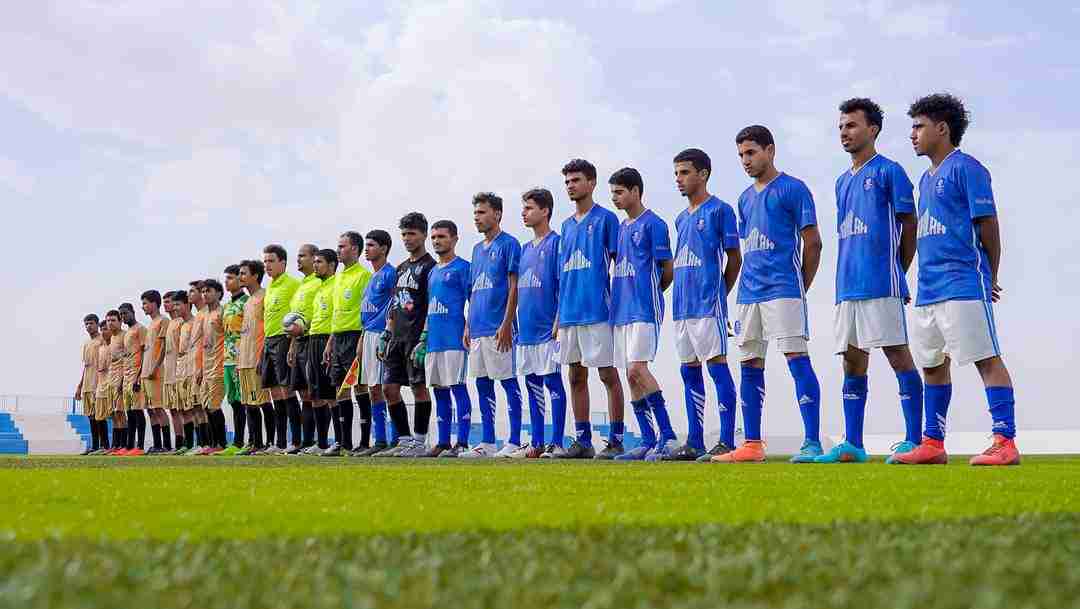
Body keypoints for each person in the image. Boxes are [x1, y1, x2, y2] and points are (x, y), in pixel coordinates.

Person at [895, 93, 1019, 466]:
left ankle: (1005, 441)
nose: (912, 134)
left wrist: (990, 275)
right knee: (933, 365)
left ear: (942, 129)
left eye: (919, 126)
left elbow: (989, 225)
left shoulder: (968, 169)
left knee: (985, 359)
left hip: (963, 283)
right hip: (928, 289)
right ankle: (933, 444)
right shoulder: (925, 178)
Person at [816, 98, 924, 464]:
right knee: (851, 361)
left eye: (852, 125)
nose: (844, 132)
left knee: (897, 355)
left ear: (873, 129)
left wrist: (898, 271)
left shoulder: (890, 171)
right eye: (841, 127)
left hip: (880, 282)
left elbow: (910, 225)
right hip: (847, 286)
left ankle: (914, 440)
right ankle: (853, 444)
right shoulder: (841, 182)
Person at [714, 125, 824, 464]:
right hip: (749, 294)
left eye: (751, 152)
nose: (745, 160)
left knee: (796, 359)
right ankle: (751, 444)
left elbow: (813, 243)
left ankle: (812, 442)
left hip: (784, 290)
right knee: (749, 363)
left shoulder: (793, 189)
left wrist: (799, 288)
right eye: (741, 155)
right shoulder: (744, 199)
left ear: (770, 150)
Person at [667, 148, 742, 462]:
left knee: (717, 368)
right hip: (681, 308)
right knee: (689, 371)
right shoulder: (680, 218)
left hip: (708, 306)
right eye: (676, 173)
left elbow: (734, 258)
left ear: (703, 174)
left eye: (684, 172)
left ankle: (726, 440)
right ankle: (694, 441)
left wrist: (719, 294)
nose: (679, 179)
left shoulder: (720, 210)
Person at [603, 168, 678, 462]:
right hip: (620, 311)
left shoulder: (654, 224)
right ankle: (647, 440)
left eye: (619, 192)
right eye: (612, 193)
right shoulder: (621, 228)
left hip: (644, 309)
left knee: (637, 369)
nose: (615, 198)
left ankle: (668, 435)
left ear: (635, 191)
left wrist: (649, 293)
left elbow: (667, 269)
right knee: (630, 376)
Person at [554, 159, 625, 459]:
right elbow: (563, 273)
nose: (571, 186)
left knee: (607, 374)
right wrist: (558, 316)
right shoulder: (565, 226)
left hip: (597, 310)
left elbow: (619, 266)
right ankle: (583, 441)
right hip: (569, 313)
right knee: (575, 376)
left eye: (576, 180)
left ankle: (616, 440)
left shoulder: (607, 219)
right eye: (567, 181)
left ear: (592, 182)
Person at [463, 192, 524, 458]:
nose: (476, 218)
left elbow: (514, 287)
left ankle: (514, 441)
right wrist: (468, 325)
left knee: (508, 381)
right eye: (475, 213)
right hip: (477, 328)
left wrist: (507, 322)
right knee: (482, 384)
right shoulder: (476, 250)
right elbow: (473, 291)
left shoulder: (510, 244)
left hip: (499, 328)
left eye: (482, 212)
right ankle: (487, 442)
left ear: (497, 214)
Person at [375, 213, 436, 457]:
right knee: (389, 388)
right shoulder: (400, 268)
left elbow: (432, 304)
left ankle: (419, 442)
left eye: (412, 233)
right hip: (397, 337)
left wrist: (425, 337)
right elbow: (395, 303)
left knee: (418, 387)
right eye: (404, 234)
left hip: (416, 336)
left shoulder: (430, 267)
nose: (407, 238)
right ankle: (404, 440)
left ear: (424, 235)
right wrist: (386, 333)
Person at [517, 188, 568, 459]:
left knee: (553, 382)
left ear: (545, 210)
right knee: (532, 384)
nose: (523, 213)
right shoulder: (524, 249)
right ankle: (536, 442)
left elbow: (563, 285)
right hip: (526, 330)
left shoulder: (557, 243)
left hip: (548, 329)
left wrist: (559, 319)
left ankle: (556, 442)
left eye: (529, 208)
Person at [419, 220, 472, 457]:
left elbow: (473, 301)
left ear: (454, 239)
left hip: (454, 339)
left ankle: (462, 442)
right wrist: (424, 337)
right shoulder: (432, 272)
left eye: (441, 236)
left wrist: (468, 328)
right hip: (434, 341)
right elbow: (430, 306)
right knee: (439, 390)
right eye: (434, 237)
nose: (436, 241)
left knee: (458, 388)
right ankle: (443, 442)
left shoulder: (463, 268)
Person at [321, 232, 373, 456]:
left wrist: (362, 338)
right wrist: (330, 342)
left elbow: (368, 311)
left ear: (355, 249)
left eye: (342, 246)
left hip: (355, 336)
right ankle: (344, 443)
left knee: (360, 386)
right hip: (338, 338)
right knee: (339, 390)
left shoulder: (364, 275)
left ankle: (364, 442)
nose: (338, 250)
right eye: (338, 246)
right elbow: (337, 312)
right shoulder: (339, 277)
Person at [353, 231, 398, 456]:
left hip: (382, 335)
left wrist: (389, 332)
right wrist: (362, 338)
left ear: (384, 248)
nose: (367, 249)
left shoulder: (390, 273)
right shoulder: (372, 278)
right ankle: (379, 440)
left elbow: (396, 304)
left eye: (371, 245)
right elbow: (367, 313)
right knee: (373, 389)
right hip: (368, 335)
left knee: (386, 388)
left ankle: (396, 439)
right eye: (367, 245)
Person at [260, 244, 301, 454]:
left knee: (287, 390)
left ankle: (297, 441)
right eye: (265, 261)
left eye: (271, 261)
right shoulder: (270, 287)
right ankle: (281, 442)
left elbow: (297, 315)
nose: (267, 265)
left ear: (282, 263)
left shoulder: (292, 284)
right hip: (269, 341)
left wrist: (293, 342)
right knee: (274, 392)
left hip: (284, 340)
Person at [285, 244, 321, 453]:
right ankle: (305, 442)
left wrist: (305, 328)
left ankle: (318, 441)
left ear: (314, 257)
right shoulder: (302, 285)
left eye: (302, 256)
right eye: (297, 256)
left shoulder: (319, 282)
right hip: (298, 342)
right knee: (302, 393)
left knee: (314, 392)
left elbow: (320, 312)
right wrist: (292, 344)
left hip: (312, 340)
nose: (298, 260)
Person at [236, 259, 272, 455]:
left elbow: (268, 329)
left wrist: (262, 356)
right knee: (248, 403)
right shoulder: (248, 301)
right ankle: (254, 442)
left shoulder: (265, 296)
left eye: (244, 273)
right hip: (244, 360)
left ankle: (270, 442)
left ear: (255, 275)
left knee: (263, 402)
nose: (240, 277)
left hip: (257, 358)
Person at [305, 249, 338, 454]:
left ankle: (341, 441)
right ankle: (322, 443)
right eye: (314, 261)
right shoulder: (319, 287)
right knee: (315, 393)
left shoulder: (337, 284)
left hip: (328, 339)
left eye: (319, 262)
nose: (315, 265)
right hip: (313, 339)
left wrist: (331, 342)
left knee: (331, 393)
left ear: (332, 264)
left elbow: (337, 316)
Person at [216, 267, 249, 455]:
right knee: (233, 401)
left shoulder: (246, 302)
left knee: (246, 401)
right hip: (227, 359)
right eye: (226, 278)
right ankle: (236, 442)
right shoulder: (227, 306)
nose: (226, 281)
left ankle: (248, 441)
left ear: (240, 279)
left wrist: (242, 356)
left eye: (230, 278)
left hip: (241, 357)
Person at [139, 290, 170, 454]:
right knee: (150, 410)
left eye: (145, 303)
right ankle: (157, 444)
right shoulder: (150, 324)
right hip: (145, 372)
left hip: (155, 372)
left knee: (158, 408)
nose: (143, 307)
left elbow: (163, 347)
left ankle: (167, 445)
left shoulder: (163, 321)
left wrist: (155, 367)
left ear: (154, 303)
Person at [201, 279, 229, 452]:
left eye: (208, 291)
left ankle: (221, 443)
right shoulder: (205, 315)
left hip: (219, 365)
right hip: (206, 367)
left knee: (214, 406)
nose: (205, 294)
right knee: (206, 407)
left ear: (218, 293)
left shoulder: (222, 312)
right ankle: (212, 444)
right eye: (203, 291)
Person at [119, 303, 147, 455]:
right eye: (121, 314)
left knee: (137, 410)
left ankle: (140, 446)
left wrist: (138, 376)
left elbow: (144, 353)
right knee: (129, 412)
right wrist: (123, 379)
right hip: (127, 375)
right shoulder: (127, 333)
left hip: (136, 374)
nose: (123, 317)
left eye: (125, 313)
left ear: (132, 312)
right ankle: (129, 446)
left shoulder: (140, 329)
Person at [172, 291, 198, 453]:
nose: (175, 308)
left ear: (187, 304)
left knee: (195, 408)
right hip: (181, 369)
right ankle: (188, 445)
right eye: (174, 304)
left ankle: (203, 443)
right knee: (183, 409)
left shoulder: (195, 322)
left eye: (178, 304)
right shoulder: (181, 325)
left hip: (192, 368)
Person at [162, 291, 187, 451]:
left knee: (183, 409)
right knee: (173, 409)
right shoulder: (170, 323)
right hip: (168, 372)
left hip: (180, 371)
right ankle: (178, 443)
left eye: (169, 301)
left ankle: (187, 442)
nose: (166, 305)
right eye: (164, 302)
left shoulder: (181, 322)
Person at [75, 314, 103, 455]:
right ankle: (94, 446)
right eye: (86, 324)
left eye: (91, 323)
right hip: (87, 384)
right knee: (91, 416)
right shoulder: (86, 343)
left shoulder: (102, 340)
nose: (88, 326)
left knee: (100, 415)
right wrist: (79, 386)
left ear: (97, 324)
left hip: (99, 383)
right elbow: (86, 367)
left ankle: (104, 446)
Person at [105, 310, 129, 454]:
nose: (110, 323)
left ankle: (123, 444)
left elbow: (127, 359)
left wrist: (122, 380)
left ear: (120, 321)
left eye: (113, 320)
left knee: (120, 411)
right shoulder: (112, 338)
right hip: (111, 378)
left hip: (121, 377)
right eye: (108, 320)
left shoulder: (124, 336)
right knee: (113, 413)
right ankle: (115, 444)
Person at [91, 320, 113, 454]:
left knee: (117, 416)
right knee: (99, 416)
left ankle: (117, 446)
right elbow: (98, 369)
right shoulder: (100, 348)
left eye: (106, 329)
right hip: (101, 384)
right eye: (102, 329)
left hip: (113, 383)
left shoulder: (114, 346)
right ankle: (103, 446)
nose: (104, 332)